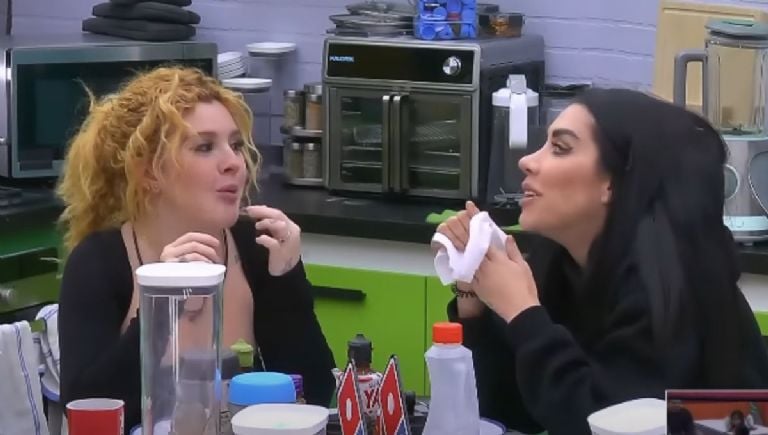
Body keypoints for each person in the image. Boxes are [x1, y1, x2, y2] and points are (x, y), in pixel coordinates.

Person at [435, 88, 768, 434]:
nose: (527, 161)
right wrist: (472, 297)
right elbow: (504, 414)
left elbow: (599, 424)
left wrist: (523, 313)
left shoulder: (668, 291)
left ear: (614, 182)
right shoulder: (559, 268)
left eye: (560, 148)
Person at [56, 66, 336, 432]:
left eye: (236, 145)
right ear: (149, 172)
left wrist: (287, 280)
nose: (234, 163)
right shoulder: (100, 263)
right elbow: (87, 410)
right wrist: (162, 304)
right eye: (205, 147)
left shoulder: (256, 248)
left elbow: (313, 395)